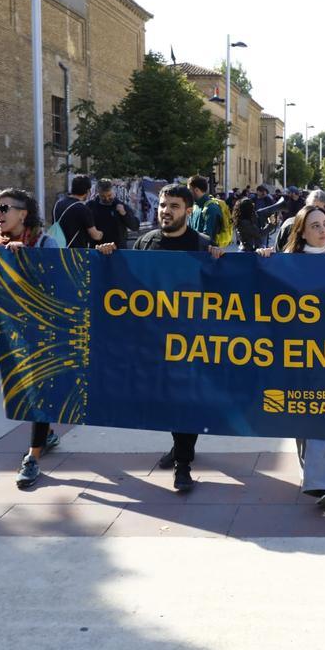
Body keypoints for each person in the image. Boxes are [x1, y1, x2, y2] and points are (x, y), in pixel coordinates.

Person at [255, 206, 325, 508]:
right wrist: (265, 263)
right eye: (315, 226)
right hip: (298, 353)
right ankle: (315, 474)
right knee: (302, 414)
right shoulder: (289, 261)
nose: (323, 231)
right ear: (301, 232)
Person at [141, 184, 225, 490]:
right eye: (163, 205)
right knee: (164, 401)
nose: (166, 211)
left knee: (185, 401)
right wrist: (106, 255)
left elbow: (220, 293)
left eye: (174, 206)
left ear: (188, 212)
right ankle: (179, 448)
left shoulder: (202, 245)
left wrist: (220, 261)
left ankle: (183, 465)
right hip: (155, 340)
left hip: (190, 343)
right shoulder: (146, 243)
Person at [0, 188, 63, 489]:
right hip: (11, 331)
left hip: (41, 330)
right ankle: (48, 434)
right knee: (28, 390)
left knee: (38, 389)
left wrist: (26, 262)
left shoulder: (43, 243)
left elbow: (57, 284)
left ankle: (32, 458)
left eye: (4, 208)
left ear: (23, 213)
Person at [87, 179, 141, 250]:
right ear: (98, 193)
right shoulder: (91, 206)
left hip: (118, 250)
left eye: (109, 195)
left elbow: (135, 226)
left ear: (113, 191)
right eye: (103, 196)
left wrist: (124, 214)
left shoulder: (121, 206)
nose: (107, 199)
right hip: (97, 249)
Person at [52, 174, 103, 248]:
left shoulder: (58, 203)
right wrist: (101, 234)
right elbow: (94, 235)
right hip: (75, 252)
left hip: (58, 250)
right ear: (88, 191)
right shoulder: (82, 208)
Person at [187, 175, 224, 245]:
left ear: (196, 190)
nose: (187, 193)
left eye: (189, 190)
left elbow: (208, 237)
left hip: (207, 253)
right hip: (194, 250)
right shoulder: (194, 206)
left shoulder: (211, 208)